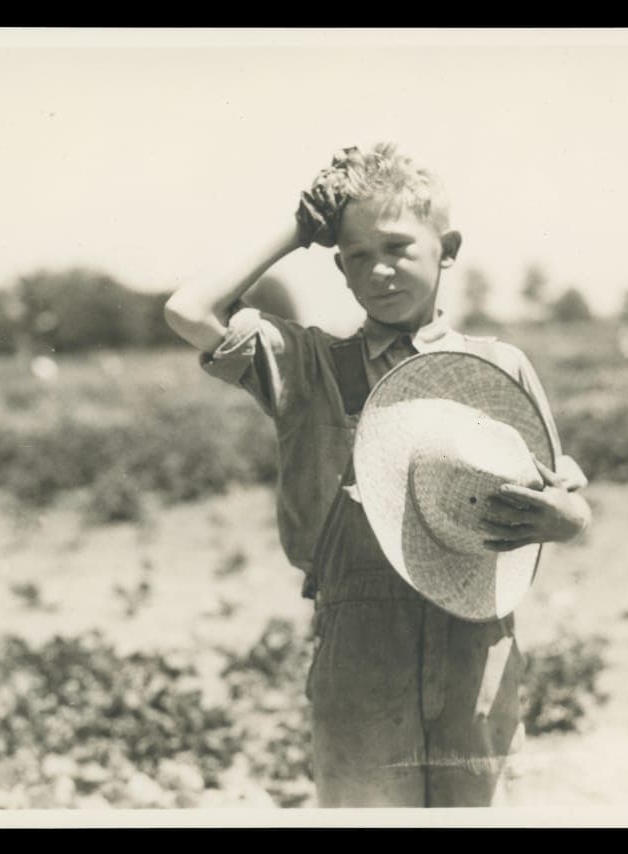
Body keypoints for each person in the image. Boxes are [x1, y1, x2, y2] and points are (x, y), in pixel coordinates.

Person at [164, 143, 592, 807]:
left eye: (397, 248)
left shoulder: (500, 367)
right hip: (361, 653)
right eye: (357, 257)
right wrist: (299, 229)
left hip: (478, 647)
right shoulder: (308, 366)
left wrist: (571, 519)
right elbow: (188, 310)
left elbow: (558, 495)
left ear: (447, 249)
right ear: (337, 265)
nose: (379, 272)